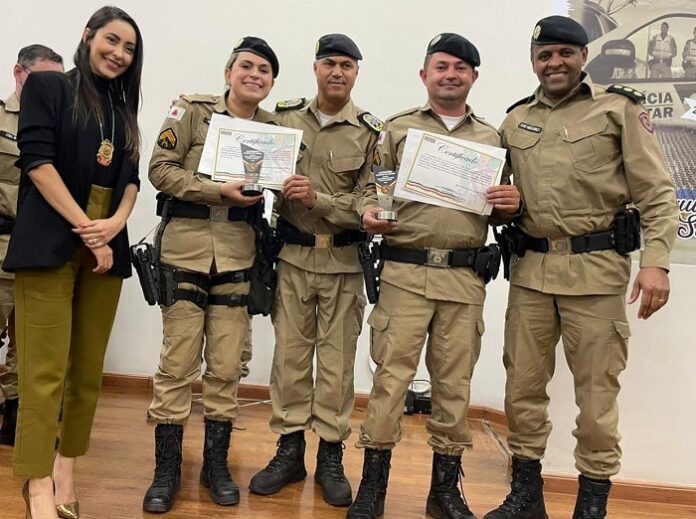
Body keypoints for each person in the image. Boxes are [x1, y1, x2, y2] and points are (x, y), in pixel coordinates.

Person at [484, 16, 678, 519]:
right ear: (534, 62)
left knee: (596, 398)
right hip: (531, 274)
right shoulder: (514, 120)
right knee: (522, 390)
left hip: (595, 274)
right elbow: (495, 196)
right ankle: (526, 496)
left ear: (583, 57)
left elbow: (657, 193)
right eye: (544, 55)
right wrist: (503, 207)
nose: (555, 63)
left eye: (564, 53)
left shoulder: (618, 109)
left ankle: (591, 505)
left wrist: (656, 264)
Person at [347, 33, 521, 519]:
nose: (450, 74)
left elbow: (502, 204)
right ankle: (373, 487)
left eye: (460, 68)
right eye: (441, 66)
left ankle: (444, 491)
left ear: (473, 77)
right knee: (390, 382)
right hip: (405, 273)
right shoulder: (397, 129)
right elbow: (371, 189)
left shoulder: (492, 139)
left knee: (454, 386)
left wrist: (510, 205)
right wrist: (368, 212)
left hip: (464, 279)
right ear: (425, 75)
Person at [3, 6, 143, 518]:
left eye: (129, 48)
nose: (119, 53)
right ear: (88, 36)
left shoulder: (122, 109)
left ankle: (66, 469)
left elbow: (131, 180)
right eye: (112, 40)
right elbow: (37, 163)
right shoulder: (49, 87)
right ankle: (37, 482)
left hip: (107, 247)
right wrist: (88, 228)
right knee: (42, 374)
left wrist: (115, 225)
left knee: (86, 373)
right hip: (52, 242)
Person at [144, 36, 279, 513]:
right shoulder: (190, 111)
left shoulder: (275, 130)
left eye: (264, 70)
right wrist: (215, 191)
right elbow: (160, 170)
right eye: (247, 66)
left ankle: (216, 465)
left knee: (225, 367)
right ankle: (166, 469)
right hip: (186, 250)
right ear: (228, 73)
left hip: (239, 256)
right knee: (177, 364)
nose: (254, 75)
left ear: (271, 82)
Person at [249, 34, 379, 508]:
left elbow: (370, 201)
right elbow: (251, 163)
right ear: (316, 69)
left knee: (338, 364)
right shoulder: (283, 119)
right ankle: (289, 452)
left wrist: (318, 200)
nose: (337, 72)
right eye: (329, 63)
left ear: (356, 72)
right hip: (292, 258)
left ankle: (330, 455)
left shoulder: (371, 132)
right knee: (289, 359)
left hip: (343, 262)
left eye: (346, 64)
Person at [0, 45, 64, 448]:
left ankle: (16, 417)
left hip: (39, 248)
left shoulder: (61, 126)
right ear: (19, 74)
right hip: (1, 243)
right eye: (43, 79)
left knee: (28, 342)